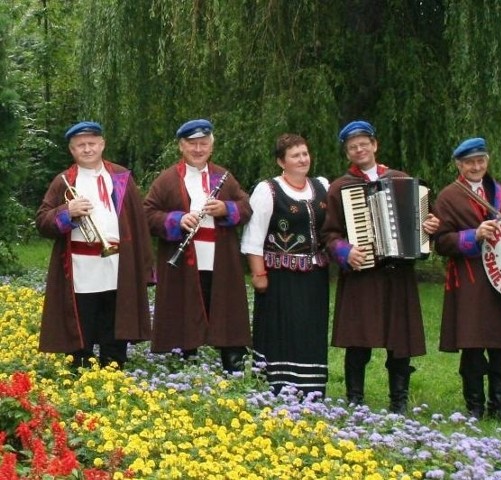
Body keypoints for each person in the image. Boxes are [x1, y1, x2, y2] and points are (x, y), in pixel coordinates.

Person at [321, 120, 440, 414]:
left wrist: (429, 227)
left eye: (363, 144)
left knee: (399, 336)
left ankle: (398, 401)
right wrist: (345, 251)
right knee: (357, 338)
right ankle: (355, 398)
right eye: (352, 147)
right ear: (347, 153)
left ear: (375, 145)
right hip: (362, 274)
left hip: (397, 273)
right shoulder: (340, 188)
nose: (359, 149)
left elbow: (421, 224)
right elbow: (328, 234)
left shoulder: (402, 180)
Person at [35, 121, 153, 370]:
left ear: (102, 144)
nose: (87, 149)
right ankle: (81, 364)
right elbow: (43, 221)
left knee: (115, 313)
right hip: (80, 265)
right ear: (72, 150)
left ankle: (114, 363)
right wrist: (67, 211)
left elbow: (138, 222)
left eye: (92, 144)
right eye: (80, 145)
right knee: (83, 314)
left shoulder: (122, 177)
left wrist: (144, 266)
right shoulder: (63, 181)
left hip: (117, 260)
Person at [144, 119, 251, 373]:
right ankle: (183, 370)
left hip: (220, 260)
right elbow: (148, 214)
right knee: (184, 311)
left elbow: (246, 206)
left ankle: (233, 368)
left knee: (227, 311)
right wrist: (177, 219)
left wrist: (227, 208)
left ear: (211, 147)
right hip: (183, 263)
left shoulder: (223, 177)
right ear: (182, 146)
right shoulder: (168, 179)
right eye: (192, 144)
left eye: (204, 144)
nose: (198, 149)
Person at [432, 137, 501, 422]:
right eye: (470, 162)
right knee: (473, 344)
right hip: (470, 277)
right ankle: (474, 407)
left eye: (481, 160)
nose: (476, 166)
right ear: (460, 165)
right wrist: (473, 235)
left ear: (487, 161)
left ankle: (500, 407)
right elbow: (442, 242)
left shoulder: (498, 191)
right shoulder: (449, 196)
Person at [241, 133, 330, 397]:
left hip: (315, 274)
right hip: (279, 275)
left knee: (310, 329)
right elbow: (253, 236)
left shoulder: (323, 186)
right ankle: (275, 386)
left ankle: (311, 388)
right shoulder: (268, 190)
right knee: (281, 329)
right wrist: (259, 274)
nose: (302, 159)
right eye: (295, 155)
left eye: (305, 153)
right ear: (282, 161)